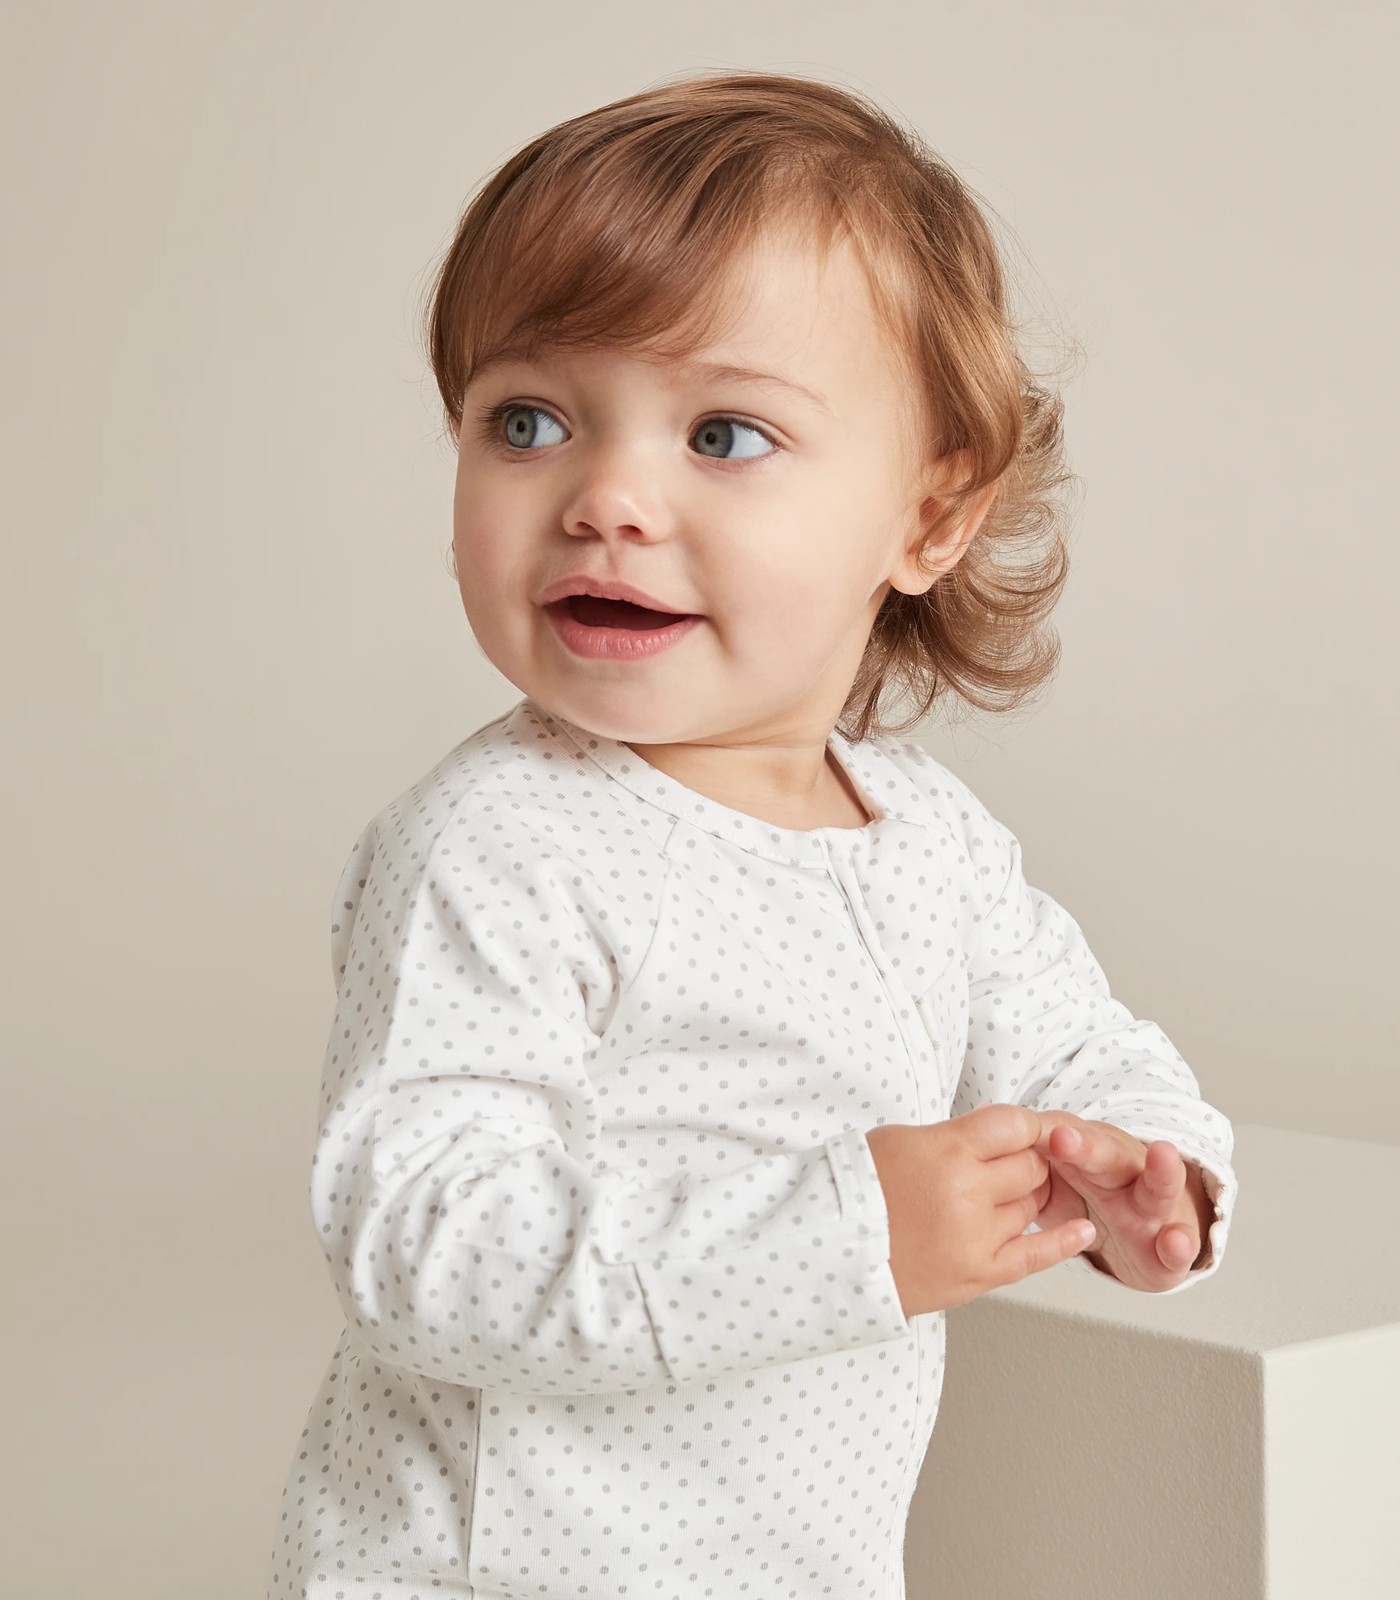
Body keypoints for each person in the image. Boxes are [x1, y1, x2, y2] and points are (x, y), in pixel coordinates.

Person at [265, 69, 1236, 1600]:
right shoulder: (498, 842)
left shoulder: (928, 840)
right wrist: (850, 1233)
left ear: (929, 520)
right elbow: (422, 1245)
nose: (606, 497)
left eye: (723, 433)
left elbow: (1076, 1045)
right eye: (529, 420)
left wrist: (1147, 1166)